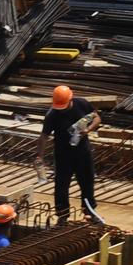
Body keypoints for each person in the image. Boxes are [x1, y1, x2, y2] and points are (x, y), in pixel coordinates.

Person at [38, 85, 100, 221]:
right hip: (63, 155)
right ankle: (62, 215)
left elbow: (96, 118)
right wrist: (40, 156)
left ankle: (89, 211)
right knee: (61, 185)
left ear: (71, 99)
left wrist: (88, 130)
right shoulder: (52, 114)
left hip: (83, 152)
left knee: (87, 182)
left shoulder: (81, 104)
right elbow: (44, 136)